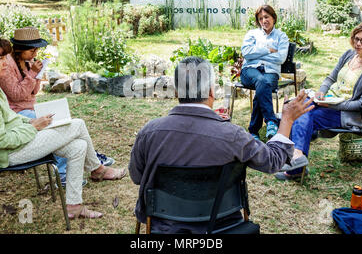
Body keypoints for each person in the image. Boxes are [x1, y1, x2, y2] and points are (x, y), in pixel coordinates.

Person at [129, 56, 314, 233]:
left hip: (163, 227)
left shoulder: (149, 132)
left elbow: (137, 177)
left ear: (177, 92)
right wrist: (287, 120)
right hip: (223, 226)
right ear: (211, 92)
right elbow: (273, 161)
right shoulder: (233, 135)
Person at [0, 34, 127, 219]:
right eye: (0, 58)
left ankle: (74, 206)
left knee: (78, 147)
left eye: (5, 57)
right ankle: (97, 169)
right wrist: (34, 127)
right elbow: (2, 140)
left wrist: (31, 122)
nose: (6, 63)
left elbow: (10, 117)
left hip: (17, 138)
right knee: (78, 124)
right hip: (10, 153)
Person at [0, 27, 115, 187]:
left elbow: (34, 92)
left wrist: (38, 75)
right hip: (17, 113)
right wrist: (32, 74)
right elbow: (16, 95)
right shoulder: (7, 65)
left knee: (62, 118)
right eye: (32, 50)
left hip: (30, 108)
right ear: (20, 48)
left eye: (37, 49)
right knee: (59, 126)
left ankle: (88, 160)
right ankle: (67, 171)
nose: (35, 53)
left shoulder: (27, 62)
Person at [275, 22, 362, 180]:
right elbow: (330, 78)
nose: (358, 44)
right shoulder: (349, 54)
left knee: (305, 114)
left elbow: (360, 103)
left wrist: (332, 104)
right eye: (356, 39)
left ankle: (296, 165)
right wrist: (321, 92)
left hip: (347, 113)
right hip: (327, 102)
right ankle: (296, 156)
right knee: (297, 105)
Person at [240, 5, 289, 141]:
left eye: (266, 17)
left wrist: (257, 53)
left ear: (273, 18)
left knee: (263, 84)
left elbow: (280, 58)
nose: (264, 21)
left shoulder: (281, 37)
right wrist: (268, 50)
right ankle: (271, 122)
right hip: (250, 70)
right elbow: (246, 53)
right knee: (262, 82)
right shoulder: (252, 34)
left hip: (271, 72)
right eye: (260, 18)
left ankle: (253, 131)